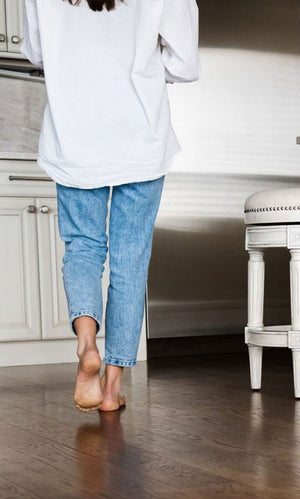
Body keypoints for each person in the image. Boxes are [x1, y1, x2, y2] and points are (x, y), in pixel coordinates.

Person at [22, 0, 200, 411]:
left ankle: (87, 344)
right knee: (129, 259)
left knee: (83, 247)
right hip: (140, 134)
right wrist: (142, 60)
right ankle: (110, 390)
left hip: (75, 136)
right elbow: (186, 63)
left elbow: (37, 50)